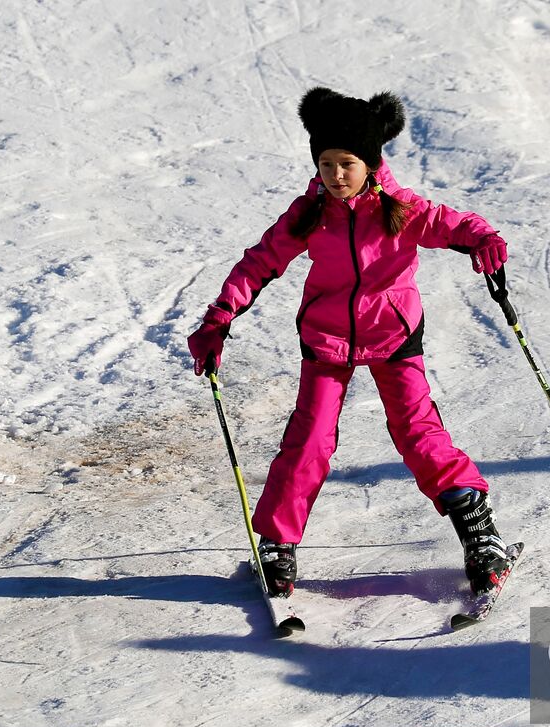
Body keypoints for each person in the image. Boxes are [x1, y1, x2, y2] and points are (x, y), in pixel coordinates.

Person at [187, 87, 512, 599]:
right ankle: (276, 542)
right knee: (310, 438)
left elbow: (457, 224)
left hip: (392, 334)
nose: (335, 175)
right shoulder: (309, 213)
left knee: (418, 433)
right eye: (325, 163)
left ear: (371, 162)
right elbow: (259, 263)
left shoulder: (402, 210)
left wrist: (485, 239)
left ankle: (479, 530)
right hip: (327, 338)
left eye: (347, 163)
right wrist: (219, 316)